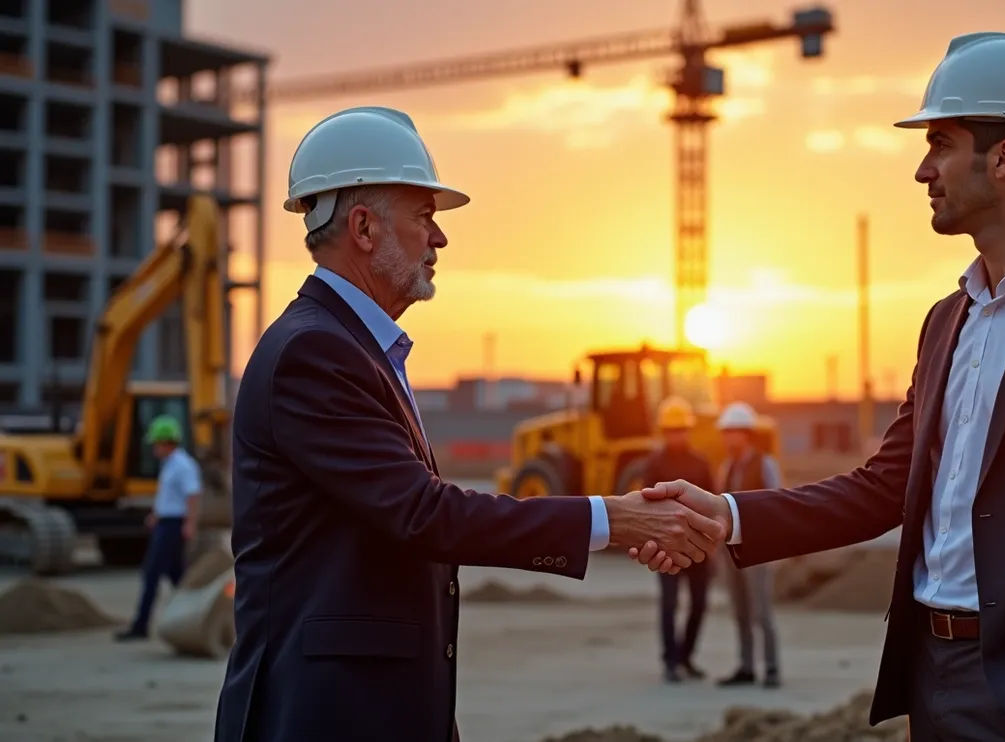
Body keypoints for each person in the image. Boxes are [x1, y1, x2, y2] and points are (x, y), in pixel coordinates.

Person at [631, 32, 1005, 742]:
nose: (924, 171)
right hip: (934, 677)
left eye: (941, 144)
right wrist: (728, 514)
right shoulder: (944, 323)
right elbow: (882, 488)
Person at [212, 105, 725, 742]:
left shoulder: (353, 348)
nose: (440, 237)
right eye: (424, 214)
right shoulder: (315, 354)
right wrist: (614, 519)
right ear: (365, 227)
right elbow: (424, 515)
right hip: (327, 713)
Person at [642, 396, 716, 683]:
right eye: (672, 430)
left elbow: (713, 503)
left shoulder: (701, 464)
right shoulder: (654, 465)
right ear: (664, 432)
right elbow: (644, 507)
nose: (677, 435)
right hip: (667, 548)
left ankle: (686, 657)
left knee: (699, 603)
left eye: (681, 429)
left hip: (697, 546)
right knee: (669, 604)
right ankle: (670, 661)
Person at [710, 402, 782, 689]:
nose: (727, 438)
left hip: (758, 551)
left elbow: (778, 505)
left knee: (761, 611)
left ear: (746, 434)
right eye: (725, 432)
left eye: (732, 432)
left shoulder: (765, 465)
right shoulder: (726, 468)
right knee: (739, 610)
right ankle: (747, 667)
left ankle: (772, 668)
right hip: (732, 552)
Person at [115, 414, 202, 641]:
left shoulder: (183, 465)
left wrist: (190, 524)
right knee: (178, 577)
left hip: (173, 526)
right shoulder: (170, 465)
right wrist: (156, 514)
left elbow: (192, 495)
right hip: (165, 523)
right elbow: (170, 496)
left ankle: (140, 626)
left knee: (151, 573)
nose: (154, 449)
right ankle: (193, 616)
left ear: (166, 442)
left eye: (156, 443)